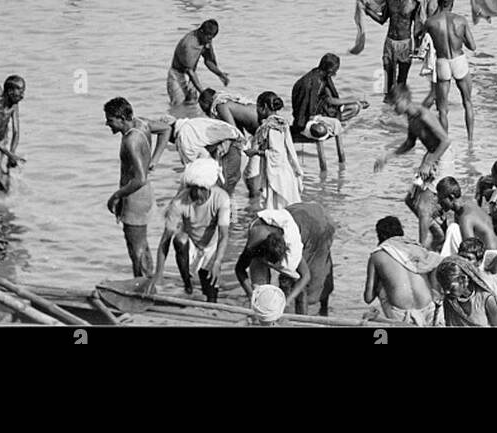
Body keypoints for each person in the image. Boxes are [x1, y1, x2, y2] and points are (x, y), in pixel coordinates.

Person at [149, 157, 231, 302]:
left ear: (209, 187)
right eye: (195, 190)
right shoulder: (179, 202)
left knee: (211, 295)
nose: (198, 194)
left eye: (202, 190)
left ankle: (206, 289)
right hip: (192, 244)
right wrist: (158, 274)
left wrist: (217, 262)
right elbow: (165, 240)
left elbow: (224, 236)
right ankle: (187, 284)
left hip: (211, 247)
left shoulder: (222, 198)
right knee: (179, 239)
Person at [235, 202, 337, 316]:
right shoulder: (253, 245)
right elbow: (239, 269)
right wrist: (252, 295)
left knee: (311, 282)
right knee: (262, 291)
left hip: (318, 224)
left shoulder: (293, 247)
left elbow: (304, 277)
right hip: (296, 214)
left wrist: (287, 302)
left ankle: (318, 313)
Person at [419, 0, 479, 142]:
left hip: (442, 62)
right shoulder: (461, 20)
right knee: (467, 102)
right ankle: (470, 140)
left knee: (442, 110)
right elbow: (472, 46)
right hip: (458, 60)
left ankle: (445, 142)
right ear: (452, 2)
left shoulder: (431, 22)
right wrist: (460, 39)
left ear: (439, 2)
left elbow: (421, 40)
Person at [103, 97, 154, 278]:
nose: (107, 124)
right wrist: (154, 159)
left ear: (121, 118)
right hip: (145, 194)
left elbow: (139, 178)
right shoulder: (142, 124)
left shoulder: (131, 141)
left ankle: (141, 288)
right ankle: (148, 284)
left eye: (110, 120)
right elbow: (166, 129)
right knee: (142, 244)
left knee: (135, 246)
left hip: (135, 195)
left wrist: (116, 195)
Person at [290, 52, 367, 164]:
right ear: (330, 70)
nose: (336, 72)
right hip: (308, 120)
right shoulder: (312, 82)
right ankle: (332, 125)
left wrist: (356, 100)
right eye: (336, 70)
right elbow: (306, 112)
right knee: (320, 130)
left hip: (322, 114)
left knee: (355, 107)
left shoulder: (323, 78)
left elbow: (331, 100)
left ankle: (333, 124)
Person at [364, 216, 440, 325]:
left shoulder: (377, 255)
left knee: (382, 285)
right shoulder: (418, 249)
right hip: (428, 310)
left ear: (380, 236)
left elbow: (368, 298)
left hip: (400, 315)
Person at [358, 0, 423, 93]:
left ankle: (398, 106)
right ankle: (387, 105)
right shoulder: (389, 1)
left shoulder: (414, 4)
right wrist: (367, 10)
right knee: (388, 79)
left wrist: (418, 47)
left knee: (402, 80)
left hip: (405, 43)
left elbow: (417, 28)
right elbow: (382, 20)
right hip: (389, 42)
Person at [373, 83, 451, 182]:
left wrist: (428, 163)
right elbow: (409, 143)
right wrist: (388, 156)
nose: (393, 108)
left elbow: (446, 141)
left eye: (395, 103)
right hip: (431, 156)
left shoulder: (423, 115)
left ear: (405, 100)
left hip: (442, 155)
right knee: (414, 193)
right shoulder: (411, 118)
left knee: (433, 193)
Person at [246, 92, 303, 209]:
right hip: (282, 172)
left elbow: (277, 154)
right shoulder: (279, 123)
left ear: (264, 107)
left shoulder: (272, 127)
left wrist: (256, 152)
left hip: (279, 177)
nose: (256, 111)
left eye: (257, 107)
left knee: (281, 211)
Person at [435, 177, 497, 256]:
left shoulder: (465, 217)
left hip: (489, 256)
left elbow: (470, 250)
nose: (438, 202)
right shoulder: (466, 206)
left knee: (453, 228)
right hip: (491, 252)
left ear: (451, 197)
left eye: (441, 198)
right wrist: (443, 226)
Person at [169, 20, 229, 105]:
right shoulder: (189, 44)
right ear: (201, 32)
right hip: (177, 75)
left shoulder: (206, 39)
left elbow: (208, 61)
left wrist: (220, 74)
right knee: (178, 105)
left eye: (211, 38)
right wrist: (202, 92)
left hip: (191, 75)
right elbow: (190, 71)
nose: (209, 41)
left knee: (192, 105)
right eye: (208, 38)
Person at [436, 256, 497, 327]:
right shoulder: (449, 301)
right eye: (444, 287)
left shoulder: (486, 299)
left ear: (463, 280)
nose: (446, 292)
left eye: (449, 287)